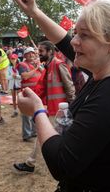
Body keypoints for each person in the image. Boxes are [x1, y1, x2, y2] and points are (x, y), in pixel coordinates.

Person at [13, 0, 110, 191]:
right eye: (76, 33)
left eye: (84, 35)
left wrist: (37, 111)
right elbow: (64, 41)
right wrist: (35, 12)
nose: (75, 41)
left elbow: (62, 163)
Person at [13, 41, 76, 173]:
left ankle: (31, 163)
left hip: (60, 109)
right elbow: (42, 88)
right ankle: (31, 163)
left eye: (41, 51)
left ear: (50, 52)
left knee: (45, 136)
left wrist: (73, 107)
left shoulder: (58, 64)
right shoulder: (48, 66)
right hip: (54, 109)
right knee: (48, 136)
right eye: (38, 51)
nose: (38, 54)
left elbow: (69, 86)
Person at [17, 47, 42, 141]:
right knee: (26, 114)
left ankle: (34, 132)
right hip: (27, 92)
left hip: (37, 92)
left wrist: (39, 67)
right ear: (25, 55)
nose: (31, 55)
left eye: (33, 53)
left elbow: (44, 73)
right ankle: (27, 135)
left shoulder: (37, 64)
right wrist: (36, 68)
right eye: (29, 53)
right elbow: (25, 76)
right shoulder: (22, 65)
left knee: (36, 112)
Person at [6, 53, 21, 118]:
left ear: (17, 59)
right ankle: (15, 111)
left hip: (19, 84)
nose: (12, 60)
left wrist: (17, 76)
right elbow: (7, 77)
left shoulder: (20, 66)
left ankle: (22, 111)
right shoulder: (9, 67)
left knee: (20, 99)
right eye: (11, 59)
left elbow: (22, 76)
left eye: (14, 59)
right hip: (12, 85)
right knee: (14, 98)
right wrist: (12, 76)